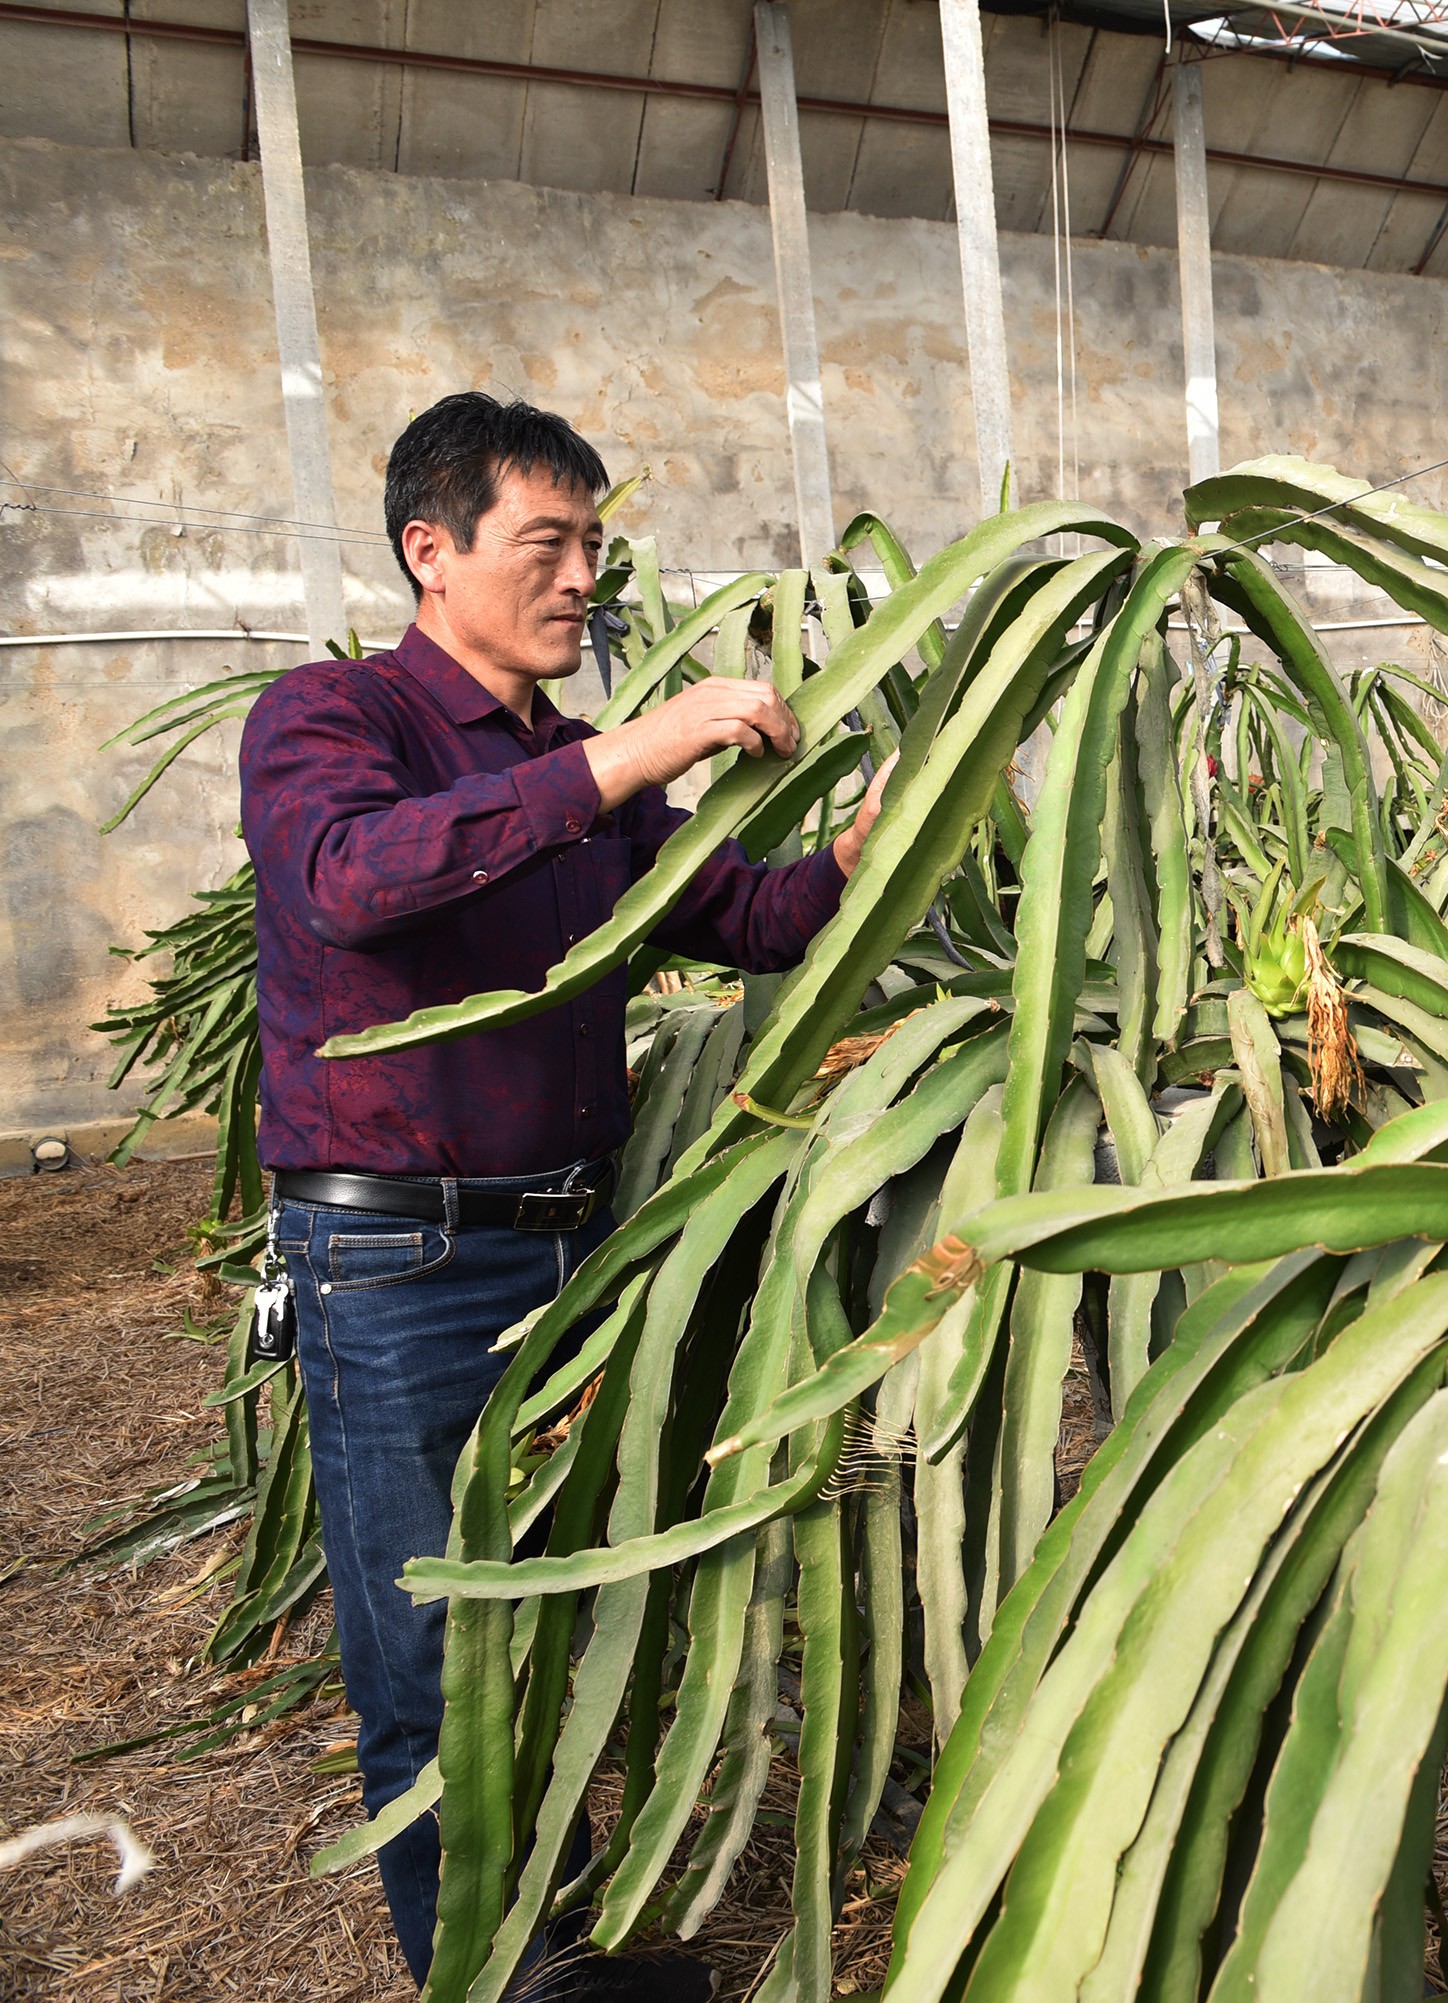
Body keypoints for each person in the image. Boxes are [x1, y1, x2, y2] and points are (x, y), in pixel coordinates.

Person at [240, 393, 886, 2000]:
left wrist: (861, 863)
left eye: (596, 542)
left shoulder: (562, 766)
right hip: (395, 1261)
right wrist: (636, 749)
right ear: (431, 550)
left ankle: (563, 1957)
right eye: (549, 540)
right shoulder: (332, 717)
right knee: (427, 1653)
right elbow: (351, 879)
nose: (582, 574)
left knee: (546, 1620)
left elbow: (734, 912)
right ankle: (502, 1982)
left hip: (571, 1246)